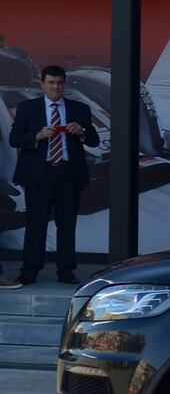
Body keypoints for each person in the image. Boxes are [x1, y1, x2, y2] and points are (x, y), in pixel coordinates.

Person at [9, 65, 101, 285]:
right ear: (42, 84)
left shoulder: (78, 109)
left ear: (64, 84)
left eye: (59, 82)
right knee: (35, 225)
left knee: (67, 224)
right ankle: (30, 270)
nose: (55, 87)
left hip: (68, 174)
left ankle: (66, 270)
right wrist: (37, 135)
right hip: (39, 174)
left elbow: (94, 140)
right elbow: (15, 139)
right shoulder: (27, 108)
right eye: (51, 82)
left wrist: (82, 132)